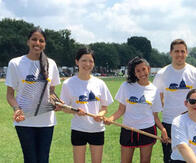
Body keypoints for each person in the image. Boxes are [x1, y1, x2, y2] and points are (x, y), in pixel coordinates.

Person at [5, 28, 61, 163]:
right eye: (34, 39)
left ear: (45, 44)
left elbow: (51, 92)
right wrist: (16, 109)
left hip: (46, 121)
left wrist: (57, 102)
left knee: (43, 159)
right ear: (28, 42)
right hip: (25, 121)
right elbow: (10, 95)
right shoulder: (15, 63)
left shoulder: (51, 63)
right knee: (30, 159)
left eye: (41, 40)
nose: (37, 43)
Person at [104, 57, 169, 163]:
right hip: (128, 129)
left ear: (148, 69)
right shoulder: (126, 86)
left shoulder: (154, 90)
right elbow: (121, 110)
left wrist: (163, 129)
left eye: (143, 69)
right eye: (138, 71)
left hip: (147, 130)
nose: (142, 73)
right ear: (134, 73)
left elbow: (155, 116)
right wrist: (110, 119)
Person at [153, 39, 196, 163]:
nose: (180, 54)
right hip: (169, 123)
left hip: (191, 122)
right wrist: (162, 128)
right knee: (170, 159)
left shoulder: (195, 73)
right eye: (176, 51)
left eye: (182, 51)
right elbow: (157, 100)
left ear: (186, 53)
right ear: (170, 53)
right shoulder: (162, 73)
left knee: (192, 158)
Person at [60, 47, 114, 163]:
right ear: (77, 62)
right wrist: (75, 111)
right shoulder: (68, 83)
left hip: (97, 129)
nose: (87, 64)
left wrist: (100, 114)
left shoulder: (100, 83)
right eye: (84, 60)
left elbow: (105, 107)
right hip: (78, 129)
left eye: (91, 61)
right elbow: (64, 108)